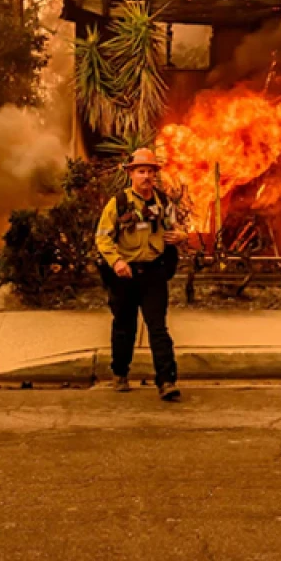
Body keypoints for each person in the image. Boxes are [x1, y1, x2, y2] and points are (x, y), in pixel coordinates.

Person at [95, 148, 188, 401]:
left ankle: (166, 381)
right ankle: (120, 373)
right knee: (124, 326)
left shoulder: (163, 202)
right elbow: (102, 239)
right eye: (141, 171)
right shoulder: (118, 203)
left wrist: (181, 236)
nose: (146, 176)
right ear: (131, 174)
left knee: (158, 328)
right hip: (124, 275)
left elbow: (175, 228)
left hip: (154, 273)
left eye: (150, 171)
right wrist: (116, 262)